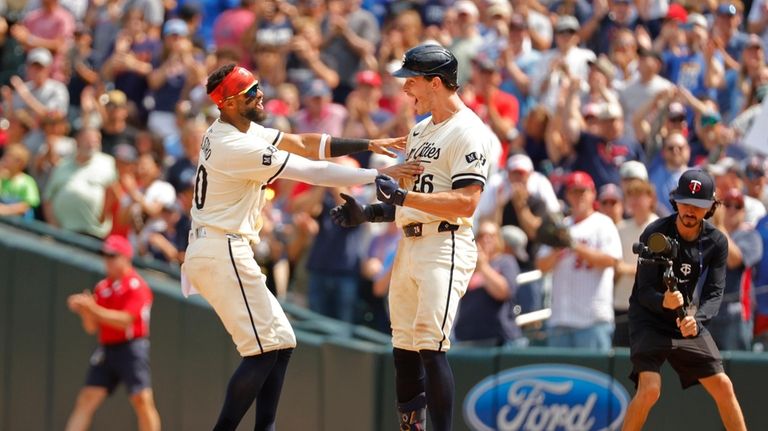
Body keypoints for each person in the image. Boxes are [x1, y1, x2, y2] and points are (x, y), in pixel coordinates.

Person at [180, 63, 420, 430]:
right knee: (263, 351)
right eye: (249, 92)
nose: (259, 93)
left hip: (219, 246)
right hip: (220, 249)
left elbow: (306, 143)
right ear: (227, 103)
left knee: (282, 341)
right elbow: (312, 172)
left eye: (257, 86)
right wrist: (375, 173)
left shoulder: (235, 128)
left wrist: (369, 144)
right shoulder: (234, 144)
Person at [330, 44, 493, 431]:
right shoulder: (420, 130)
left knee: (431, 346)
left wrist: (403, 196)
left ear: (436, 83)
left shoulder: (468, 130)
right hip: (409, 241)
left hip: (445, 242)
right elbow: (406, 202)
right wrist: (368, 213)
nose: (405, 90)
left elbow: (466, 201)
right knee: (403, 345)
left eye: (412, 81)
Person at [622, 169, 746, 431]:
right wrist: (662, 302)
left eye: (699, 205)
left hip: (684, 318)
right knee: (650, 390)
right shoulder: (655, 232)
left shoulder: (716, 241)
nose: (690, 211)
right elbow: (643, 291)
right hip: (649, 318)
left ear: (711, 206)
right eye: (686, 203)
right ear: (675, 201)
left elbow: (714, 293)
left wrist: (696, 320)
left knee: (724, 385)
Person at [65, 235, 160, 431]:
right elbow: (91, 327)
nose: (107, 260)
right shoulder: (103, 287)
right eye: (105, 256)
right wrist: (85, 311)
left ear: (126, 258)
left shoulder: (137, 286)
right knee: (86, 399)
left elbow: (125, 320)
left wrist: (92, 308)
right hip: (107, 349)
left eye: (112, 256)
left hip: (132, 347)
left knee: (142, 400)